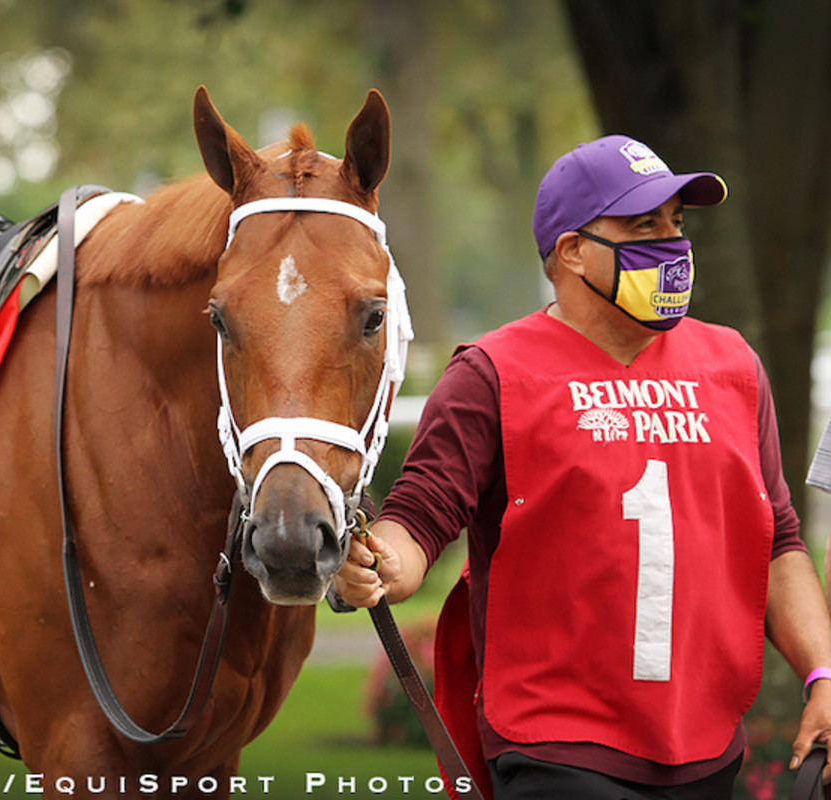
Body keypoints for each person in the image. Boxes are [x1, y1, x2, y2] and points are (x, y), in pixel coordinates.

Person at [334, 134, 831, 799]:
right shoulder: (492, 373)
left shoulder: (734, 365)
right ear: (570, 252)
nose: (672, 243)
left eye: (676, 223)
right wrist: (378, 564)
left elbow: (777, 540)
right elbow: (419, 520)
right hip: (557, 746)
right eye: (643, 224)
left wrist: (822, 675)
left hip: (707, 745)